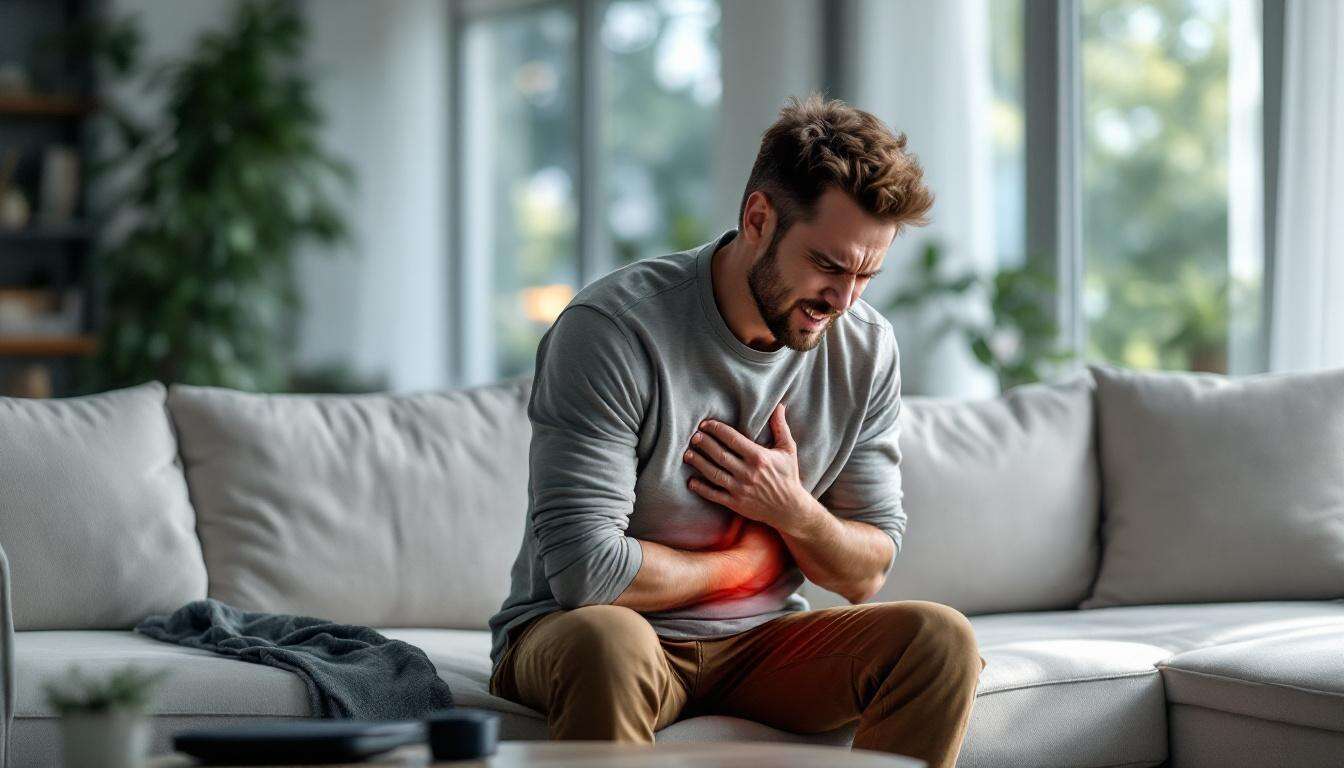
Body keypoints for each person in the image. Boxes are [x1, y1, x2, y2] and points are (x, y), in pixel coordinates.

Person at [487, 94, 986, 768]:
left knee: (940, 639)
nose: (843, 301)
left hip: (759, 644)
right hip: (585, 634)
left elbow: (867, 570)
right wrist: (743, 565)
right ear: (758, 219)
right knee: (610, 641)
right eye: (830, 266)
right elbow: (587, 574)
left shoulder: (865, 347)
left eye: (868, 274)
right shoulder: (614, 330)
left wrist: (793, 512)